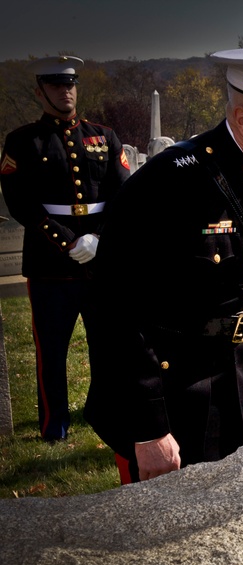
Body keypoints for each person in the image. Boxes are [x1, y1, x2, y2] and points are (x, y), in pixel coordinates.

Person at [84, 48, 243, 483]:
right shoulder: (171, 182)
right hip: (168, 391)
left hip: (230, 380)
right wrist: (150, 428)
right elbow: (112, 308)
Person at [0, 56, 130, 441]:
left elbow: (122, 195)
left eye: (70, 84)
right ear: (40, 92)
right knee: (52, 350)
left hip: (99, 262)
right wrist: (66, 240)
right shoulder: (23, 141)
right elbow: (19, 201)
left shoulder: (104, 136)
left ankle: (104, 410)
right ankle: (54, 423)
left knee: (106, 343)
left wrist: (98, 238)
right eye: (56, 86)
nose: (65, 91)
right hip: (49, 264)